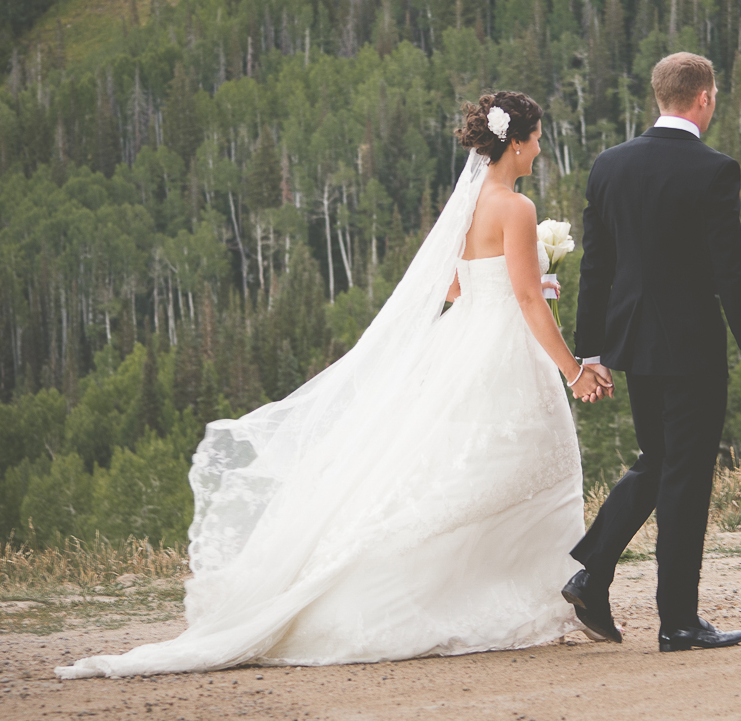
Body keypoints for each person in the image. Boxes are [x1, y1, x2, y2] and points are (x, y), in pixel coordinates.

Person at [57, 91, 610, 678]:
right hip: (503, 355)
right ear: (518, 141)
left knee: (473, 471)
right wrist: (573, 369)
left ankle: (512, 594)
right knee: (525, 468)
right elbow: (523, 298)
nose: (542, 147)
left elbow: (453, 288)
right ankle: (525, 597)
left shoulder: (470, 203)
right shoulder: (516, 209)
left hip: (467, 342)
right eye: (539, 137)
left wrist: (518, 288)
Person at [565, 52, 741, 653]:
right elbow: (733, 272)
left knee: (660, 461)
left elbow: (597, 267)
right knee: (684, 476)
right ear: (703, 98)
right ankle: (678, 621)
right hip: (690, 349)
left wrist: (592, 350)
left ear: (660, 96)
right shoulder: (713, 170)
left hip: (632, 345)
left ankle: (593, 571)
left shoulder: (610, 166)